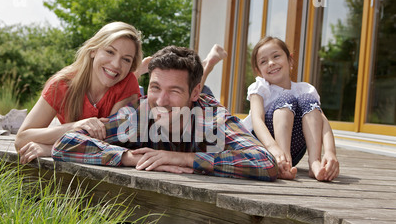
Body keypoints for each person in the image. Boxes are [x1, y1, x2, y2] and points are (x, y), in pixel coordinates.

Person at [52, 45, 278, 182]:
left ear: (194, 92)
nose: (160, 101)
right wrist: (129, 158)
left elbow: (265, 163)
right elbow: (65, 144)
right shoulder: (139, 114)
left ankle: (208, 63)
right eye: (155, 88)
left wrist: (184, 159)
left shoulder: (212, 117)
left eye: (174, 91)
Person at [15, 22, 144, 164]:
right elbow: (21, 139)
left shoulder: (127, 82)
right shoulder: (62, 84)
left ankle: (142, 73)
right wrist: (74, 127)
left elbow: (115, 144)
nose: (115, 64)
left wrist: (52, 149)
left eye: (126, 59)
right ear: (93, 50)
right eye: (110, 52)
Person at [242, 36, 339, 181]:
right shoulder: (260, 87)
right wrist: (273, 148)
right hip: (263, 147)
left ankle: (314, 162)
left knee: (308, 100)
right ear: (258, 70)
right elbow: (257, 120)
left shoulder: (305, 89)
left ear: (290, 60)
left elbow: (323, 122)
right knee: (287, 97)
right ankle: (282, 161)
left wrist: (330, 152)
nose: (271, 63)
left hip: (295, 149)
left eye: (276, 56)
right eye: (263, 61)